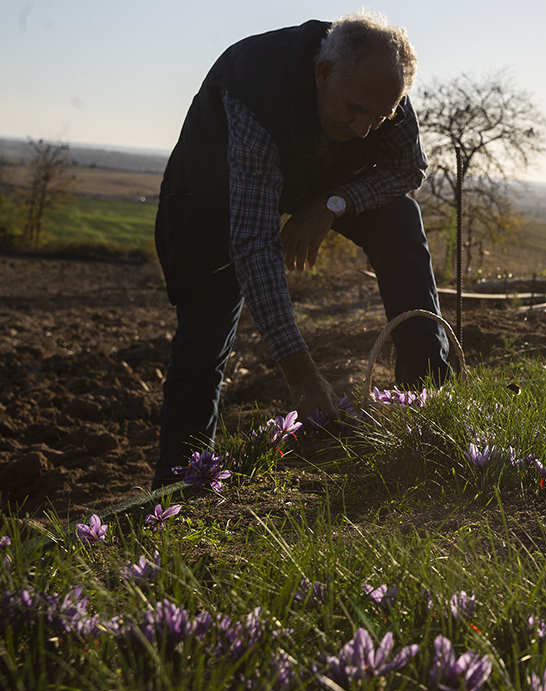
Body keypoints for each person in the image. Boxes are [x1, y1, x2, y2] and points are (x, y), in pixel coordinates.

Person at [152, 13, 449, 489]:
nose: (362, 130)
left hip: (316, 184)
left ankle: (429, 405)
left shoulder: (378, 94)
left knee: (399, 217)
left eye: (378, 118)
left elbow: (407, 171)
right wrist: (301, 373)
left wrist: (333, 204)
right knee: (203, 344)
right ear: (322, 74)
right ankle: (178, 493)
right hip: (214, 199)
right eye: (354, 111)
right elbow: (254, 240)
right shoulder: (256, 85)